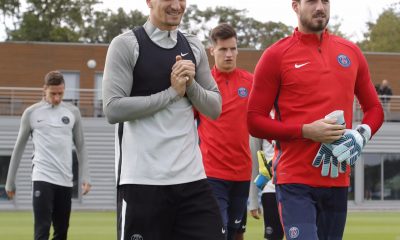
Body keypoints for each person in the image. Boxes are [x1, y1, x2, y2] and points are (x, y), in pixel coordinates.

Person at [247, 0, 384, 239]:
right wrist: (305, 131)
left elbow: (374, 108)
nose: (320, 7)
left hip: (337, 181)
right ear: (295, 6)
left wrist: (362, 134)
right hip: (294, 181)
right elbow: (254, 120)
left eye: (325, 1)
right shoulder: (275, 56)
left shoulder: (351, 52)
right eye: (311, 1)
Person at [102, 1, 224, 240]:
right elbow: (113, 109)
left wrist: (190, 85)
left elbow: (215, 108)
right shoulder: (126, 45)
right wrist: (170, 93)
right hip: (142, 182)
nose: (177, 5)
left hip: (192, 181)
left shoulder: (192, 45)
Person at [5, 70, 91, 240]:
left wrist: (86, 177)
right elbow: (18, 148)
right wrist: (10, 182)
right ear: (44, 89)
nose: (57, 98)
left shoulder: (73, 113)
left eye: (61, 93)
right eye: (53, 93)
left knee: (61, 232)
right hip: (42, 177)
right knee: (42, 230)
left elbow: (80, 146)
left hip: (65, 180)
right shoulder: (31, 113)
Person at [196, 23, 253, 240]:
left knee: (236, 233)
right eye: (223, 49)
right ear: (212, 51)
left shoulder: (251, 82)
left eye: (232, 49)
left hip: (242, 172)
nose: (229, 54)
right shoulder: (202, 84)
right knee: (216, 231)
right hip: (212, 174)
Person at [248, 137, 284, 240]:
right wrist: (253, 200)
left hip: (298, 188)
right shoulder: (260, 122)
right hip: (271, 189)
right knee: (273, 237)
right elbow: (254, 162)